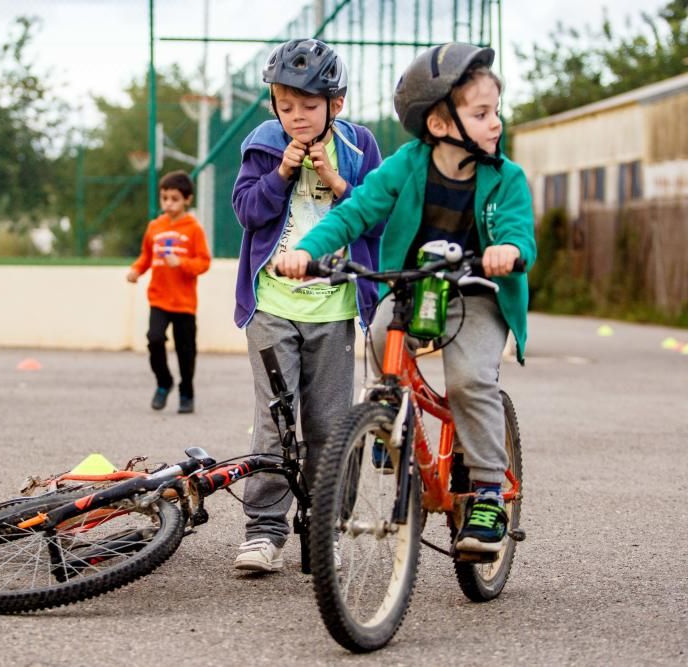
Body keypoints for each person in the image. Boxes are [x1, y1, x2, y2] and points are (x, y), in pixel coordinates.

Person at [277, 43, 537, 554]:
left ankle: (485, 491)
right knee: (379, 344)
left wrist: (506, 250)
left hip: (477, 294)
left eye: (495, 112)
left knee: (469, 380)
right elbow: (355, 213)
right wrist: (306, 251)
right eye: (481, 113)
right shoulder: (405, 166)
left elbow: (517, 231)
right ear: (440, 124)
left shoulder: (506, 178)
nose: (496, 123)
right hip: (416, 286)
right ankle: (389, 423)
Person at [231, 38, 385, 572]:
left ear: (334, 105)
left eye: (308, 106)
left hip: (335, 306)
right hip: (273, 305)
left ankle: (326, 530)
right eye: (285, 105)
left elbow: (378, 215)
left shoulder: (360, 146)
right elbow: (247, 213)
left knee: (330, 426)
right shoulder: (263, 144)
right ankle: (264, 531)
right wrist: (280, 176)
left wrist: (337, 181)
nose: (296, 116)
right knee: (274, 422)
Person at [127, 170, 211, 414]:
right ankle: (164, 382)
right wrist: (135, 271)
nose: (168, 203)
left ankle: (187, 392)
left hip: (184, 302)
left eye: (174, 198)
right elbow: (146, 257)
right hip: (159, 298)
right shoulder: (155, 227)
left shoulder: (193, 229)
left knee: (186, 351)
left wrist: (182, 264)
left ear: (187, 199)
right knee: (154, 339)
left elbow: (204, 262)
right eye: (164, 198)